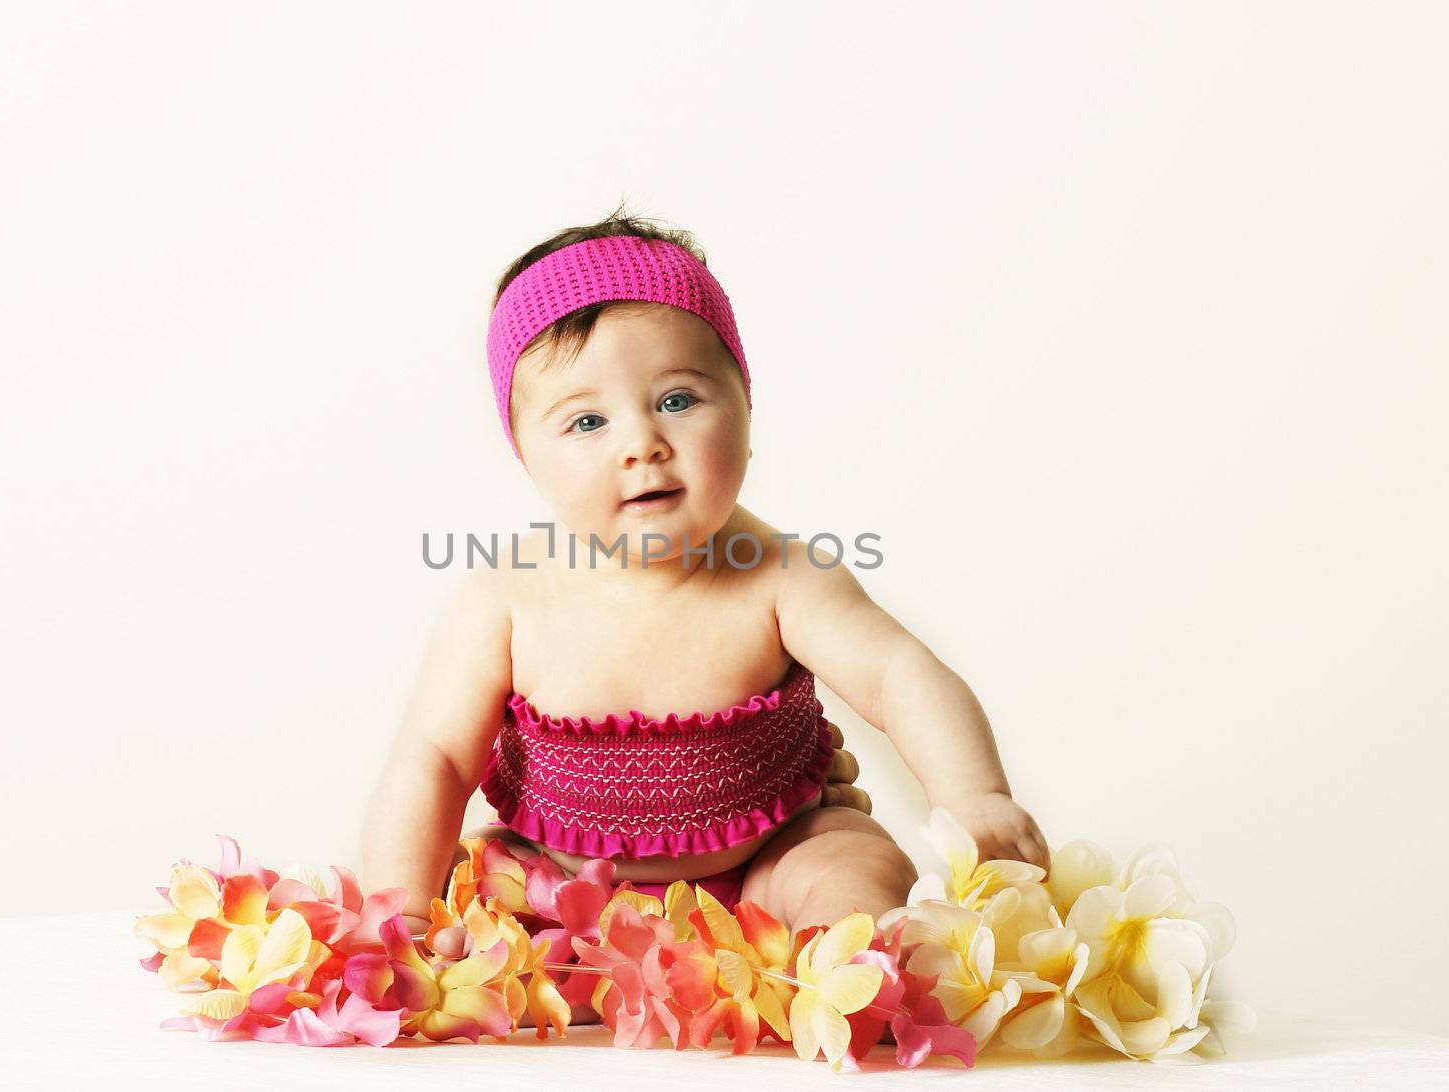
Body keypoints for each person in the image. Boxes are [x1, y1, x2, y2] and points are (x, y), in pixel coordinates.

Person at [361, 207, 1049, 968]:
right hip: (560, 881)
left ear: (746, 412)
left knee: (853, 865)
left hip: (767, 866)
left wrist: (975, 796)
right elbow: (436, 758)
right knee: (476, 885)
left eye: (679, 400)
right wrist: (401, 910)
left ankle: (840, 971)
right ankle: (516, 962)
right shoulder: (506, 598)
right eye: (586, 422)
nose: (641, 443)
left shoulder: (784, 575)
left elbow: (898, 676)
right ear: (525, 456)